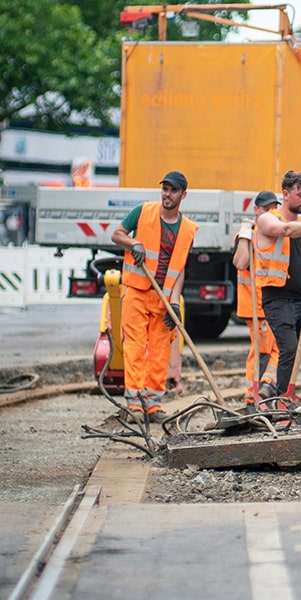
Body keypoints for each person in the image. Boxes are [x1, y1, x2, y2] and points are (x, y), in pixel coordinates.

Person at [110, 170, 198, 423]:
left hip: (163, 296)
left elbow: (179, 269)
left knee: (161, 350)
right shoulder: (143, 211)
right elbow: (116, 234)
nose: (167, 194)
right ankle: (135, 403)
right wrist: (133, 244)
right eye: (165, 189)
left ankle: (153, 403)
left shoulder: (188, 229)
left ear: (183, 194)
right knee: (135, 347)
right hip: (136, 290)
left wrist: (174, 301)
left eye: (173, 191)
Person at [254, 171, 301, 399]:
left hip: (300, 301)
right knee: (288, 348)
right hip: (277, 298)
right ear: (285, 195)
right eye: (300, 195)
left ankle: (283, 396)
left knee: (294, 352)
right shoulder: (268, 218)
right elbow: (284, 230)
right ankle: (278, 399)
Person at [231, 191, 281, 404]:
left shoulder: (274, 235)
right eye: (266, 209)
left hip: (270, 304)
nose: (271, 212)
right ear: (256, 210)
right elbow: (241, 263)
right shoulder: (248, 236)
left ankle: (265, 387)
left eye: (273, 208)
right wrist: (245, 233)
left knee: (276, 348)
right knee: (262, 352)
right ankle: (254, 395)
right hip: (257, 305)